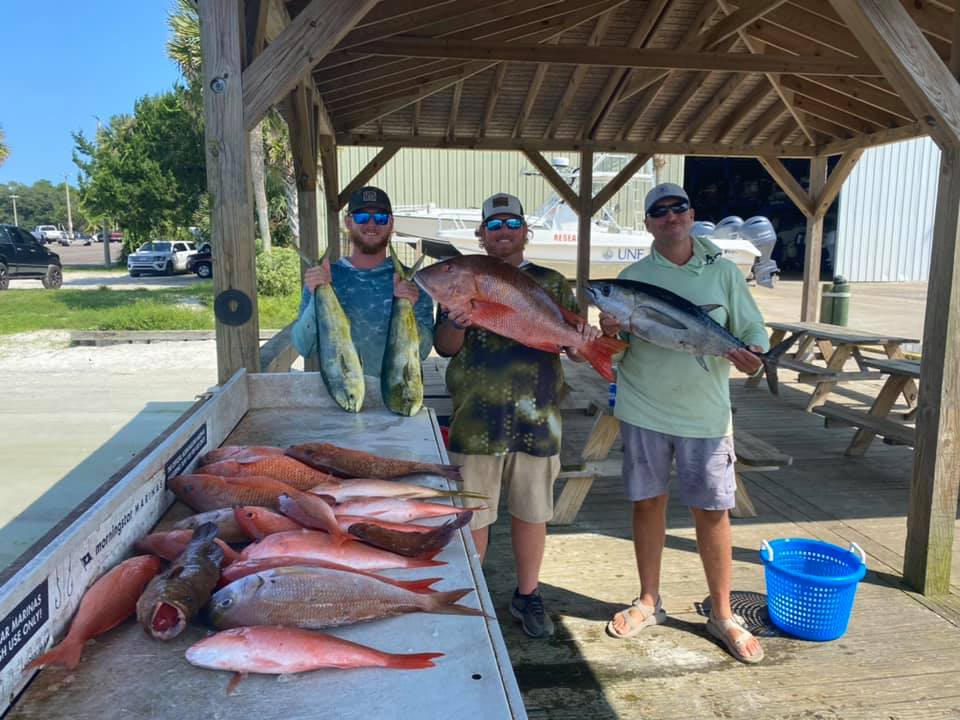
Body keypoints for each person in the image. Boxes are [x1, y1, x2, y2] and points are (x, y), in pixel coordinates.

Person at [600, 182, 768, 664]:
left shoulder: (723, 272)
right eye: (659, 211)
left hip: (706, 412)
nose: (669, 217)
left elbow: (752, 327)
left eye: (678, 209)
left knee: (713, 511)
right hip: (644, 408)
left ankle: (721, 613)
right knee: (647, 503)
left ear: (691, 214)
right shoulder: (632, 278)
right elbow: (616, 353)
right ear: (649, 222)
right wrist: (612, 331)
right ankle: (648, 601)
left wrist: (752, 351)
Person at [433, 192, 600, 639]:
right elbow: (445, 347)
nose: (503, 231)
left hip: (538, 415)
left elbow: (574, 350)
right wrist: (456, 321)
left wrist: (587, 341)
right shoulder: (461, 281)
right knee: (473, 516)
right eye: (494, 225)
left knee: (532, 513)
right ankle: (470, 593)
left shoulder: (552, 282)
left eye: (511, 223)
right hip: (476, 418)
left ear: (526, 231)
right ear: (482, 236)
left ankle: (528, 594)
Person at [292, 186, 434, 374]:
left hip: (395, 400)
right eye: (362, 217)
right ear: (348, 222)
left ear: (391, 223)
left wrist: (407, 307)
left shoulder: (414, 283)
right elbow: (304, 346)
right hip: (340, 397)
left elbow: (423, 351)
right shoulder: (325, 278)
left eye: (381, 218)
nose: (372, 224)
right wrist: (316, 293)